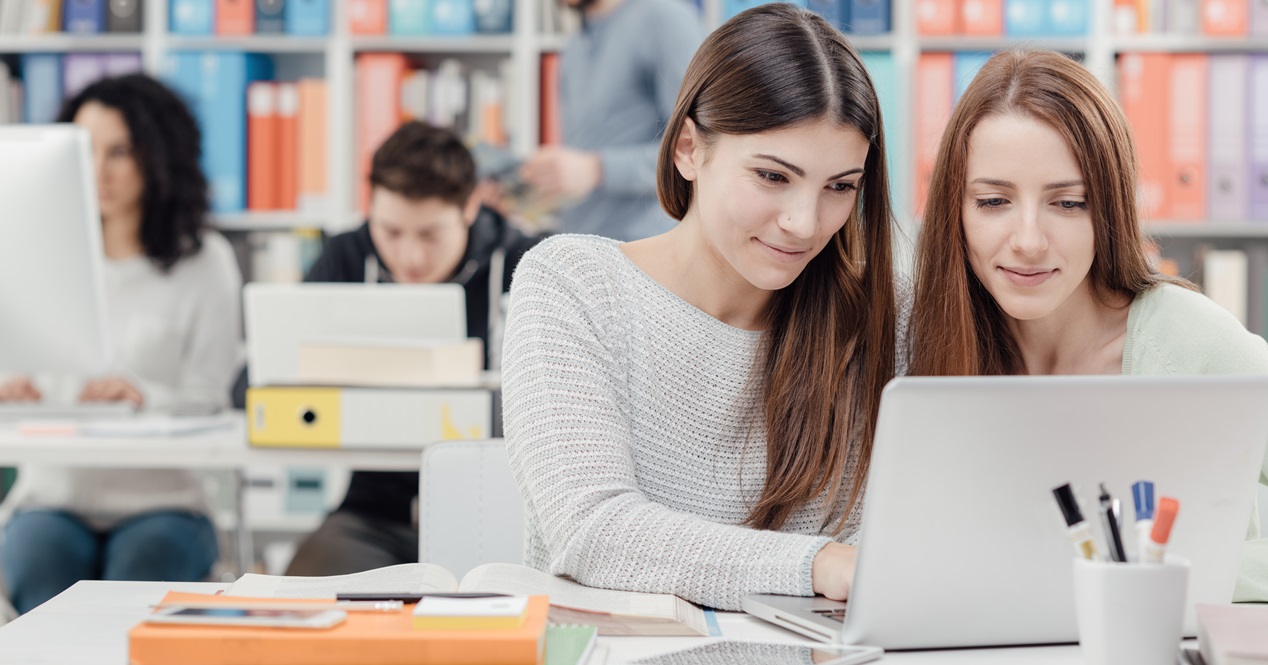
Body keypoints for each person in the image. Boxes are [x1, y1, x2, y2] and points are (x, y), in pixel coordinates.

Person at [502, 4, 903, 611]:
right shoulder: (573, 286)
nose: (803, 223)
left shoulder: (884, 316)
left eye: (840, 187)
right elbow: (591, 531)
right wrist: (815, 562)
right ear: (690, 149)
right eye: (772, 177)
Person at [907, 49, 1268, 601]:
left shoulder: (1193, 347)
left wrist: (1163, 571)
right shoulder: (923, 341)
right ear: (956, 210)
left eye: (1068, 203)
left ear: (1109, 209)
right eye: (993, 201)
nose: (1028, 240)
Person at [235, 122, 549, 576]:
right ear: (371, 210)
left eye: (429, 234)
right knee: (309, 587)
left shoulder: (530, 263)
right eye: (391, 231)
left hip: (498, 507)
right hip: (376, 513)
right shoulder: (348, 255)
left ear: (471, 206)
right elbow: (250, 383)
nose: (409, 257)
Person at [0, 75, 241, 613]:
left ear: (159, 156)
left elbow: (209, 396)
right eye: (84, 151)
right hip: (52, 499)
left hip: (165, 503)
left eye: (121, 152)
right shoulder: (30, 256)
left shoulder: (205, 263)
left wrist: (141, 396)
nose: (98, 171)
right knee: (41, 571)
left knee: (139, 581)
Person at [518, 0, 704, 241]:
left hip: (647, 248)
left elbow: (701, 145)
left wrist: (597, 169)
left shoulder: (666, 19)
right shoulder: (576, 43)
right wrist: (531, 190)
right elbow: (584, 160)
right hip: (582, 248)